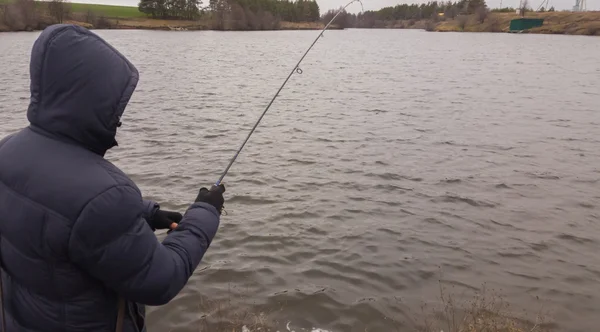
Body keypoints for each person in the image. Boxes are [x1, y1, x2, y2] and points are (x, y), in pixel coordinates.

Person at [0, 24, 226, 331]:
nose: (118, 117)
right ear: (92, 97)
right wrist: (204, 213)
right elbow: (161, 280)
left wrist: (147, 214)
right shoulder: (104, 195)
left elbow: (60, 217)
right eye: (115, 105)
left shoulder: (7, 151)